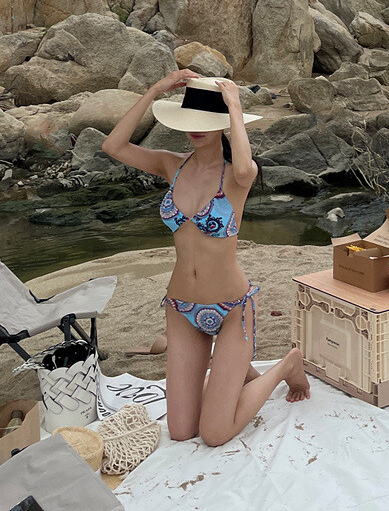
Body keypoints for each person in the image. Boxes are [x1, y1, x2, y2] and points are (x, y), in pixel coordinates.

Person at [102, 70, 310, 446]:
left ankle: (286, 365)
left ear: (222, 124)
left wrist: (234, 106)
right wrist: (154, 90)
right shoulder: (172, 165)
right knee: (182, 431)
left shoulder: (237, 177)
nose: (195, 130)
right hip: (181, 309)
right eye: (191, 120)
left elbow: (245, 166)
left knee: (214, 434)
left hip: (231, 309)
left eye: (206, 121)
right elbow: (113, 146)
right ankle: (234, 369)